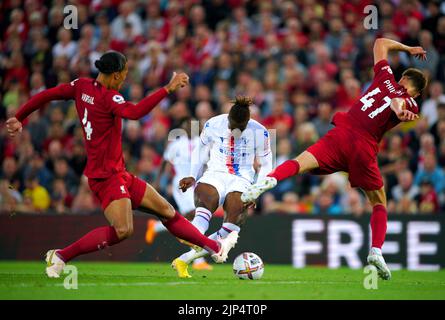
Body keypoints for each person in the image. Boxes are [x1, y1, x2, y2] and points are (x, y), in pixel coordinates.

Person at [6, 51, 238, 278]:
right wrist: (167, 89)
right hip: (106, 177)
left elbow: (49, 93)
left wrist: (19, 116)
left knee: (167, 211)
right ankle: (61, 255)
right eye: (125, 74)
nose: (126, 79)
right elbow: (135, 112)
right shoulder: (109, 98)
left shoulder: (81, 86)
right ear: (115, 75)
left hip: (120, 174)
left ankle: (215, 248)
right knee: (123, 230)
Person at [241, 38, 428, 280]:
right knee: (378, 201)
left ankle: (268, 180)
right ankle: (376, 251)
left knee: (300, 162)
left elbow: (380, 42)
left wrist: (408, 48)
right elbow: (397, 103)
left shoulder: (385, 79)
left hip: (341, 133)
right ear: (418, 91)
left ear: (402, 79)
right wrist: (399, 108)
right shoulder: (411, 101)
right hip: (363, 147)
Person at [172, 96, 272, 278]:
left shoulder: (260, 132)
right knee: (204, 207)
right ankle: (193, 235)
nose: (236, 130)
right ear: (228, 119)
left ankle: (184, 258)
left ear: (248, 122)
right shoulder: (214, 124)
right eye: (232, 126)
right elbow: (200, 150)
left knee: (231, 230)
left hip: (242, 179)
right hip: (215, 173)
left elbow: (266, 164)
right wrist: (193, 175)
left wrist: (257, 190)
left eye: (240, 128)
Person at [146, 116, 213, 271]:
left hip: (198, 186)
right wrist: (157, 182)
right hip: (182, 185)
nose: (190, 127)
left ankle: (156, 227)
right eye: (187, 125)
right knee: (196, 216)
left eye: (193, 125)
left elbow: (208, 163)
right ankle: (198, 261)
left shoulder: (202, 144)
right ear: (183, 127)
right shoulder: (177, 144)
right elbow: (164, 162)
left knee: (194, 221)